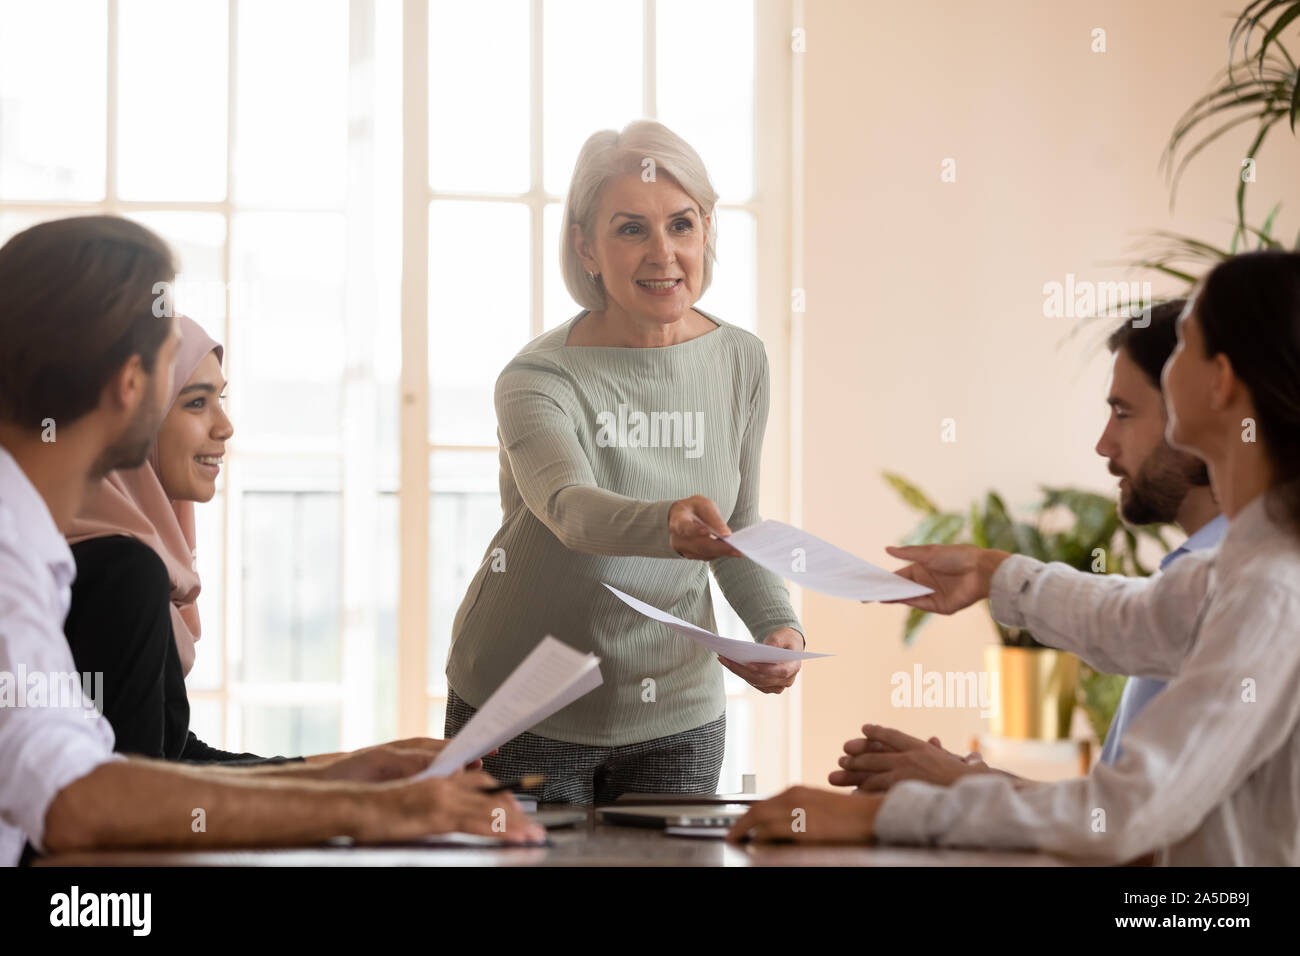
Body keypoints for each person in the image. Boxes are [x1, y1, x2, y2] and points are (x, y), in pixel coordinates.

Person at [0, 215, 539, 866]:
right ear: (131, 383)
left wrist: (342, 776)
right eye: (182, 379)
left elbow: (96, 770)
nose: (224, 424)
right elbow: (74, 801)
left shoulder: (32, 544)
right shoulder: (13, 547)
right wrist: (371, 811)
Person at [730, 251, 1300, 865]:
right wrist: (992, 574)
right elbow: (1132, 619)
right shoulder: (1243, 568)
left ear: (1220, 382)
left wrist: (878, 817)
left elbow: (1128, 814)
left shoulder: (1271, 591)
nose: (1165, 371)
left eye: (1184, 341)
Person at [443, 120, 805, 804]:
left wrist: (774, 625)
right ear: (585, 246)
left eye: (682, 224)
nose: (663, 252)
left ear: (706, 233)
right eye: (630, 229)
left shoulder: (740, 359)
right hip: (525, 702)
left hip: (677, 710)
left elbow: (741, 519)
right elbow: (569, 511)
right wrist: (666, 521)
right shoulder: (537, 377)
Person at [830, 299, 1227, 792]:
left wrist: (967, 788)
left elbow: (1148, 838)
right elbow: (1129, 817)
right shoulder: (1197, 579)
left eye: (1123, 413)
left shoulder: (1246, 584)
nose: (1103, 445)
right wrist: (971, 779)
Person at [62, 314, 467, 776]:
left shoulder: (110, 556)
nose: (225, 426)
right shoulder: (123, 571)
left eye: (221, 399)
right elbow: (142, 798)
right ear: (132, 423)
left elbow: (174, 757)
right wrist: (357, 790)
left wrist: (366, 766)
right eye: (196, 403)